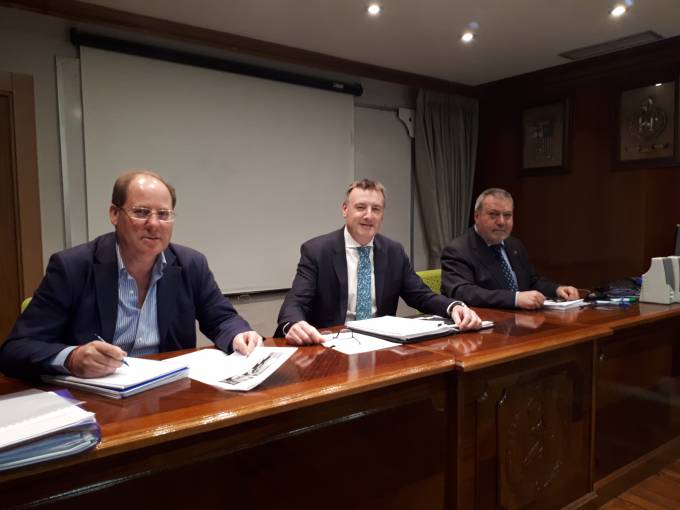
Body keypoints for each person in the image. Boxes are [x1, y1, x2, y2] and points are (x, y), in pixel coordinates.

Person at [0, 170, 262, 379]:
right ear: (114, 214)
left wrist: (238, 334)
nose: (153, 224)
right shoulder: (72, 267)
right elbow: (16, 349)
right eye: (141, 212)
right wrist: (72, 358)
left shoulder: (191, 264)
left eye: (163, 214)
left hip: (167, 392)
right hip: (96, 398)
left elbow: (221, 318)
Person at [275, 179, 482, 345]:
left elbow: (421, 296)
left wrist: (454, 307)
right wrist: (294, 324)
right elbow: (296, 301)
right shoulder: (317, 251)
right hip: (333, 344)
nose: (368, 215)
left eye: (376, 209)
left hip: (380, 344)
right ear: (345, 209)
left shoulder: (394, 251)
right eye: (360, 207)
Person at [440, 187, 579, 309]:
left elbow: (532, 281)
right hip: (485, 323)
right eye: (493, 214)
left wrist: (557, 289)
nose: (501, 222)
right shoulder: (458, 250)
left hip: (523, 320)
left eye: (507, 215)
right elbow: (463, 292)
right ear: (477, 216)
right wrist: (514, 299)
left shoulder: (514, 245)